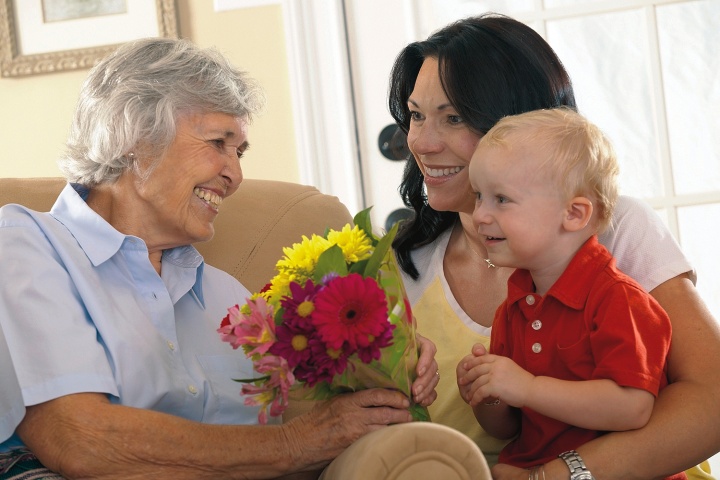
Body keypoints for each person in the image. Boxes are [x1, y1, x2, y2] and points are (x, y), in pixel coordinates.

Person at [0, 37, 439, 479]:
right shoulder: (27, 244)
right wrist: (294, 442)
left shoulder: (228, 297)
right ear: (134, 136)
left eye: (240, 151)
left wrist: (387, 358)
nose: (235, 174)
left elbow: (317, 399)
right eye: (218, 142)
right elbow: (79, 440)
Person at [388, 12, 720, 480]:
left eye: (454, 117)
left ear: (519, 122)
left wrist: (564, 475)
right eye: (417, 115)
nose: (420, 142)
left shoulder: (609, 225)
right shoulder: (404, 265)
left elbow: (713, 398)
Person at [456, 108, 684, 480]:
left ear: (574, 214)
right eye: (479, 196)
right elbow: (508, 429)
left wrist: (527, 388)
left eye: (501, 199)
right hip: (531, 467)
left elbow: (633, 408)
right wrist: (488, 393)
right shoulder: (513, 308)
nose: (480, 214)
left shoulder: (618, 299)